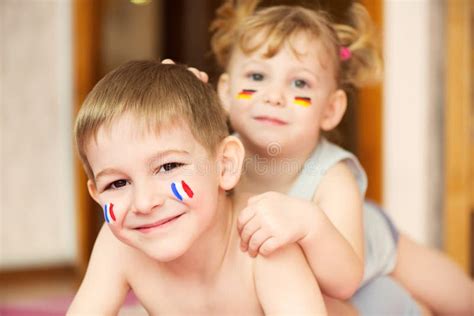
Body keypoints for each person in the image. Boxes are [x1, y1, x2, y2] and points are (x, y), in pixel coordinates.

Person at [204, 0, 473, 315]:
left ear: (330, 109)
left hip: (363, 248)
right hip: (310, 283)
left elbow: (345, 281)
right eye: (257, 77)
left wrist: (309, 224)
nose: (273, 95)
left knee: (461, 298)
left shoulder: (332, 176)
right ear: (225, 92)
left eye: (299, 83)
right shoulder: (214, 158)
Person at [67, 61, 330, 315]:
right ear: (98, 195)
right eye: (117, 183)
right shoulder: (119, 245)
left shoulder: (262, 240)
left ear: (225, 165)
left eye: (169, 167)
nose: (144, 203)